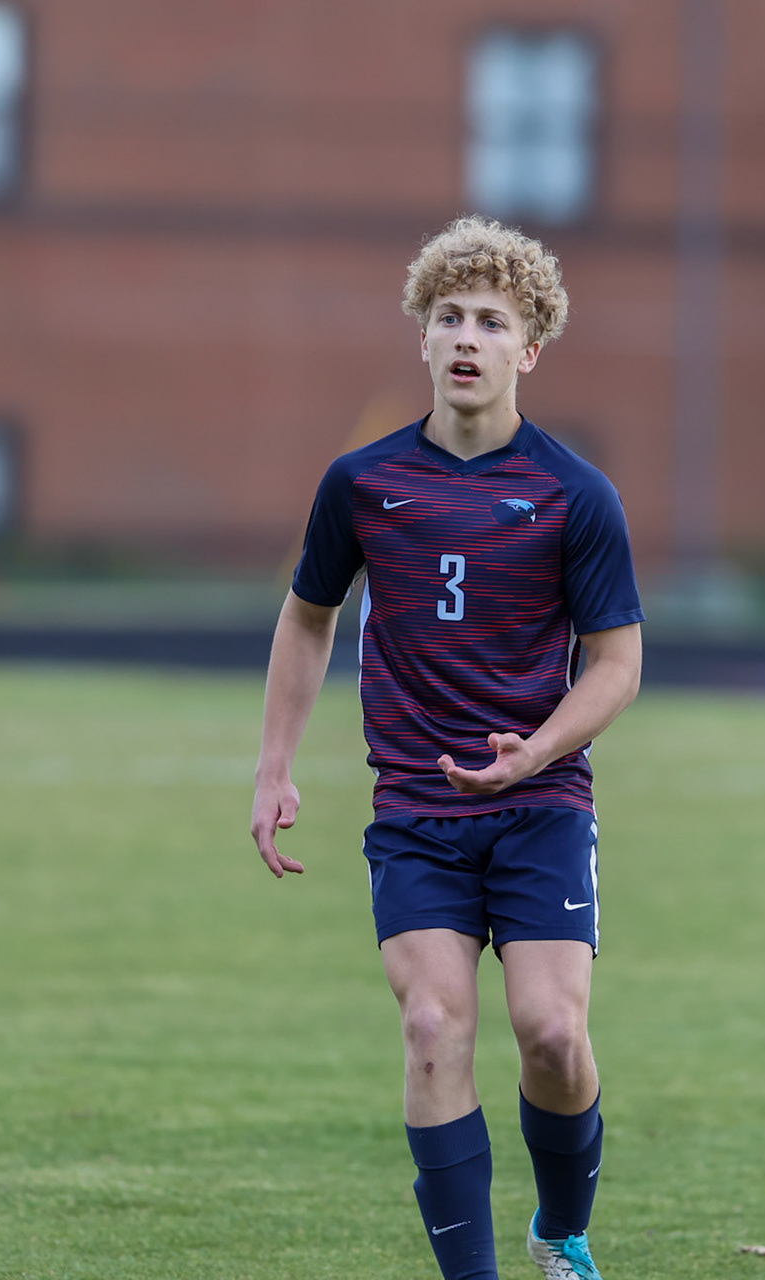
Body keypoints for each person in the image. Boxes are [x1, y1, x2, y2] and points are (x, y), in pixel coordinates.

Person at [249, 215, 644, 1280]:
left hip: (542, 808)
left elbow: (616, 664)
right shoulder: (363, 484)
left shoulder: (575, 494)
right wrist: (275, 764)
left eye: (492, 322)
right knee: (433, 1020)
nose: (468, 337)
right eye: (451, 318)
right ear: (423, 337)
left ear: (531, 349)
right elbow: (308, 614)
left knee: (553, 1033)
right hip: (420, 814)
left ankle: (561, 1229)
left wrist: (536, 752)